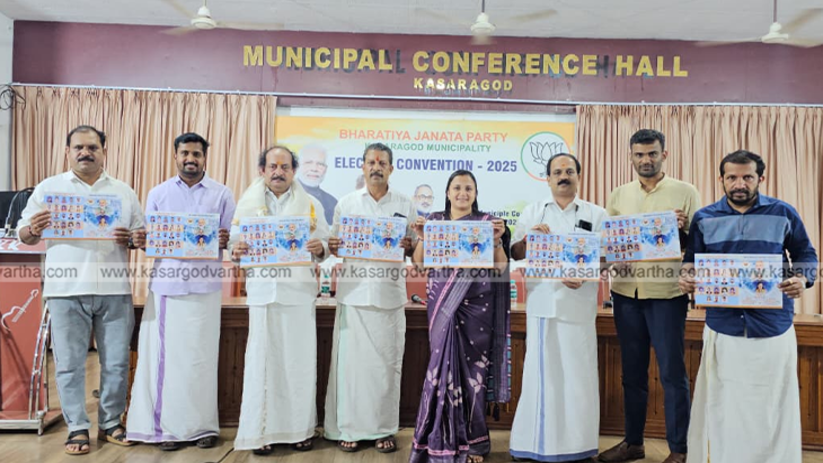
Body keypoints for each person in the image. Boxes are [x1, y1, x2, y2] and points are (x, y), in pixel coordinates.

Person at [679, 150, 817, 463]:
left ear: (760, 178)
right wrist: (686, 277)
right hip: (723, 326)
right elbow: (691, 261)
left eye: (747, 177)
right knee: (724, 403)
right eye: (732, 177)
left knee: (772, 404)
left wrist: (801, 278)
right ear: (721, 179)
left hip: (772, 325)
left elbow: (806, 255)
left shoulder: (783, 212)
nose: (739, 183)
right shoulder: (704, 217)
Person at [17, 125, 144, 455]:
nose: (85, 152)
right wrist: (33, 229)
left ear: (104, 151)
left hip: (114, 288)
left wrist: (133, 239)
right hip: (65, 289)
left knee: (116, 362)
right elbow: (23, 234)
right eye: (78, 147)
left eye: (92, 147)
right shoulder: (49, 189)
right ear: (68, 152)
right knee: (69, 364)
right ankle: (77, 427)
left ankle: (111, 422)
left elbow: (139, 235)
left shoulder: (123, 191)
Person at [126, 133, 235, 451]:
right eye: (185, 153)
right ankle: (168, 430)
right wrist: (142, 240)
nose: (191, 159)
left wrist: (227, 240)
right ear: (175, 156)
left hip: (205, 288)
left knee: (202, 360)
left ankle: (203, 428)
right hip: (168, 289)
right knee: (167, 362)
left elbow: (232, 238)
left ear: (205, 158)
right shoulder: (158, 193)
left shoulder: (222, 194)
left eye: (197, 154)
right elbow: (148, 238)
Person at [598, 129, 700, 463]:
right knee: (632, 373)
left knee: (672, 373)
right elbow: (611, 243)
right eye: (639, 154)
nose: (646, 160)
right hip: (625, 292)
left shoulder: (685, 192)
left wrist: (680, 230)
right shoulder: (618, 195)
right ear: (630, 157)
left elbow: (696, 245)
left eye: (652, 153)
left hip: (666, 294)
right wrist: (612, 257)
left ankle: (679, 449)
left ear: (663, 155)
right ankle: (633, 443)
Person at [230, 146, 330, 455]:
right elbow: (235, 242)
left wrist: (320, 248)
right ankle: (261, 433)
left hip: (298, 294)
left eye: (285, 167)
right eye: (272, 166)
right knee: (262, 365)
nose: (278, 172)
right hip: (262, 294)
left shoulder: (311, 204)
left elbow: (325, 243)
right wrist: (236, 250)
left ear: (293, 171)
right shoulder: (247, 203)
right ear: (262, 170)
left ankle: (299, 430)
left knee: (298, 364)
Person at [509, 153, 608, 463]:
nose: (563, 176)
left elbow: (606, 257)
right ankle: (533, 445)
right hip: (543, 306)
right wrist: (529, 240)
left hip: (579, 308)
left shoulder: (597, 213)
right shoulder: (533, 211)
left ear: (578, 175)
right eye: (557, 172)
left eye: (569, 171)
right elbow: (515, 252)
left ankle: (579, 447)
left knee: (579, 378)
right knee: (541, 379)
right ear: (548, 178)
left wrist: (586, 274)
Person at [409, 170, 511, 463]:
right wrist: (422, 238)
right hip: (442, 306)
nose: (462, 193)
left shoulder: (487, 223)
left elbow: (500, 268)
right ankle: (435, 438)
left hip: (477, 308)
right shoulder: (434, 222)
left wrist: (496, 240)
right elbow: (419, 264)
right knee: (440, 368)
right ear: (448, 192)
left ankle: (474, 442)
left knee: (473, 374)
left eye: (468, 188)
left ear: (476, 194)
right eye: (457, 188)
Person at [325, 142, 417, 453]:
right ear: (363, 167)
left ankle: (384, 430)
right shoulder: (347, 203)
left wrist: (409, 245)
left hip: (389, 296)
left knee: (387, 368)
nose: (376, 167)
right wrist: (334, 245)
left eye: (382, 163)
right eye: (371, 162)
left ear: (391, 168)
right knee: (351, 369)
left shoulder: (405, 203)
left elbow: (415, 249)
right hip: (354, 295)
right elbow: (333, 243)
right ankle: (349, 428)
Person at [297, 144, 337, 224]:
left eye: (320, 164)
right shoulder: (285, 194)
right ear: (297, 165)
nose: (314, 169)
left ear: (326, 169)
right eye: (308, 163)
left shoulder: (332, 202)